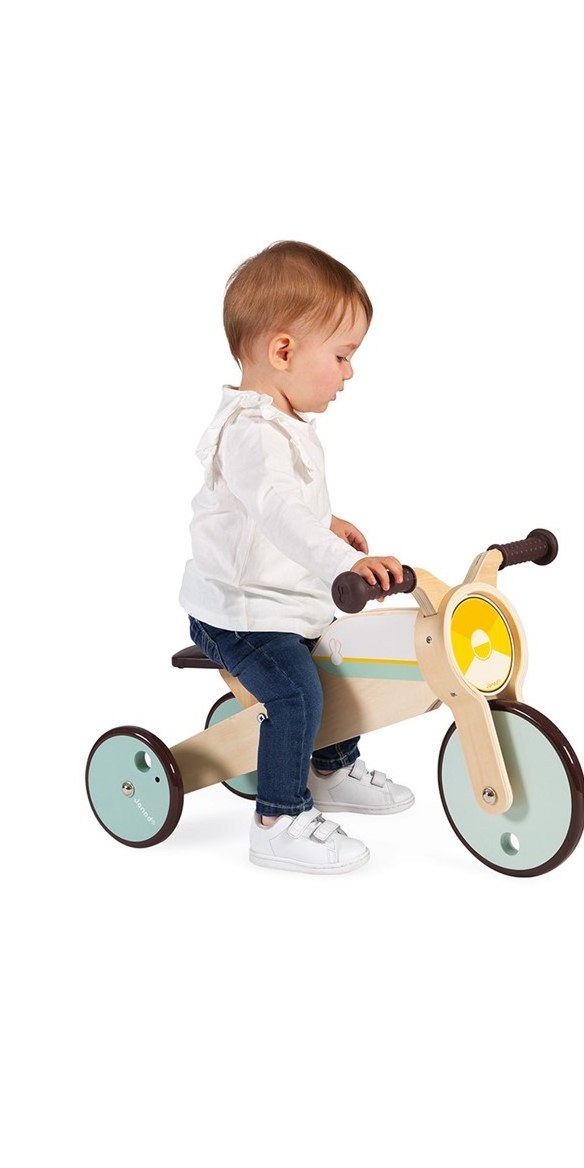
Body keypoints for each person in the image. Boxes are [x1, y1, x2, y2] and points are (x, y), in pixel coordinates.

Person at [179, 240, 415, 874]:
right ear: (283, 351)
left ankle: (330, 768)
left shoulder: (280, 425)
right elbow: (277, 512)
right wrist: (340, 560)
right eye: (341, 355)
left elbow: (276, 506)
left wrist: (328, 525)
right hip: (240, 614)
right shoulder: (253, 430)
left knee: (339, 662)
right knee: (295, 695)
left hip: (284, 602)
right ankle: (278, 820)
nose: (349, 372)